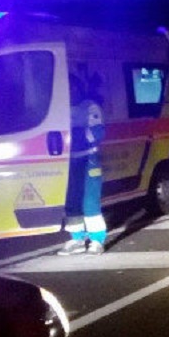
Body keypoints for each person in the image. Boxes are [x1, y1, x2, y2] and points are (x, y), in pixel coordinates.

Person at [58, 98, 107, 255]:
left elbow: (97, 132)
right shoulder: (59, 105)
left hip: (89, 161)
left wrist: (71, 134)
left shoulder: (90, 107)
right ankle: (77, 239)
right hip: (70, 161)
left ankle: (97, 240)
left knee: (90, 202)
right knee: (72, 202)